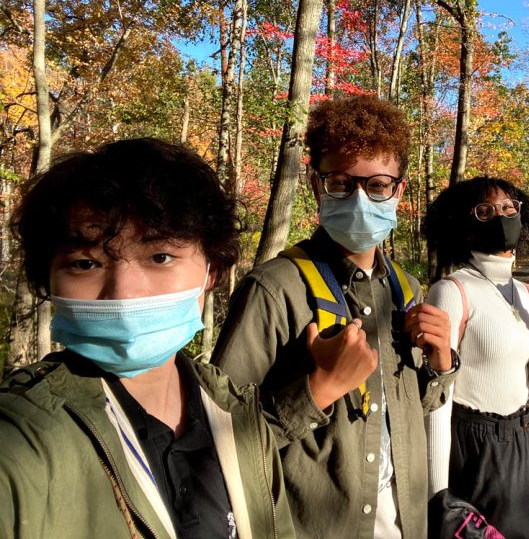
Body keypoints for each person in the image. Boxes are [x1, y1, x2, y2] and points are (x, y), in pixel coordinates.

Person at [1, 138, 295, 539]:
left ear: (212, 271)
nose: (123, 293)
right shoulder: (21, 438)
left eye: (159, 257)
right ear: (48, 281)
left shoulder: (238, 414)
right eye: (86, 263)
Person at [212, 95, 457, 538]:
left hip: (406, 519)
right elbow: (221, 438)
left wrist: (441, 366)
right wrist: (314, 391)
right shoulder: (273, 290)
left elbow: (409, 408)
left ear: (399, 190)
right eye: (342, 183)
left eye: (378, 184)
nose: (361, 198)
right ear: (315, 185)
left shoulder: (407, 289)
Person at [423, 177, 529, 539]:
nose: (501, 216)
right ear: (463, 226)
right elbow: (437, 397)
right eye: (485, 211)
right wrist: (438, 497)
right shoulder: (452, 291)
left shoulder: (528, 293)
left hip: (526, 441)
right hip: (476, 451)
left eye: (509, 208)